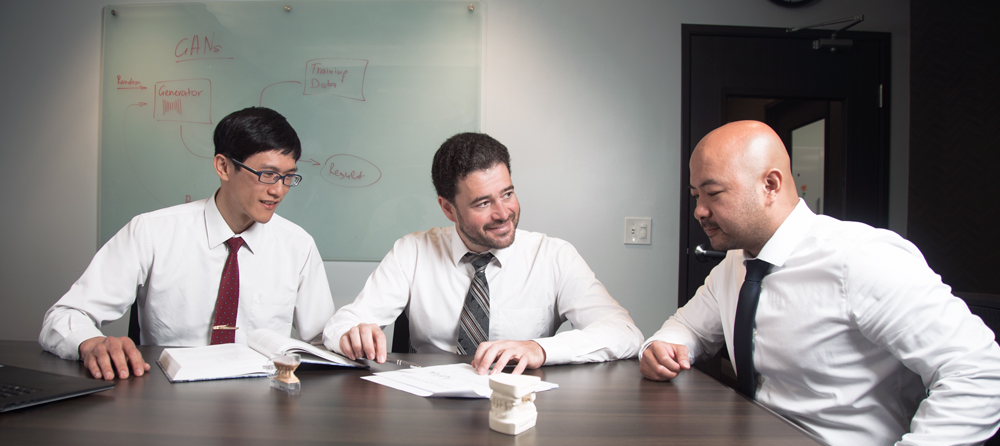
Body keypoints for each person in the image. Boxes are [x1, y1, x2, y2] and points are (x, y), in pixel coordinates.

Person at [640, 120, 1000, 446]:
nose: (699, 210)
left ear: (771, 185)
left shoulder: (861, 259)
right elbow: (689, 328)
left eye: (712, 193)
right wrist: (664, 345)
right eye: (696, 194)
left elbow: (979, 373)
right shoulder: (736, 264)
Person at [40, 107, 335, 380]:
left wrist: (346, 339)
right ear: (223, 167)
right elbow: (65, 316)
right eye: (267, 174)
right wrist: (90, 343)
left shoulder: (298, 246)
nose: (278, 190)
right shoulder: (152, 232)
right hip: (167, 396)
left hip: (262, 402)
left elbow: (320, 343)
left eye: (288, 177)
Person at [324, 132, 642, 375]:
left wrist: (538, 349)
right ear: (448, 208)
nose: (504, 213)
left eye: (508, 193)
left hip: (518, 407)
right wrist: (352, 334)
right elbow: (343, 324)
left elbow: (625, 333)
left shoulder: (553, 255)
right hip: (429, 411)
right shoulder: (413, 251)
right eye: (483, 203)